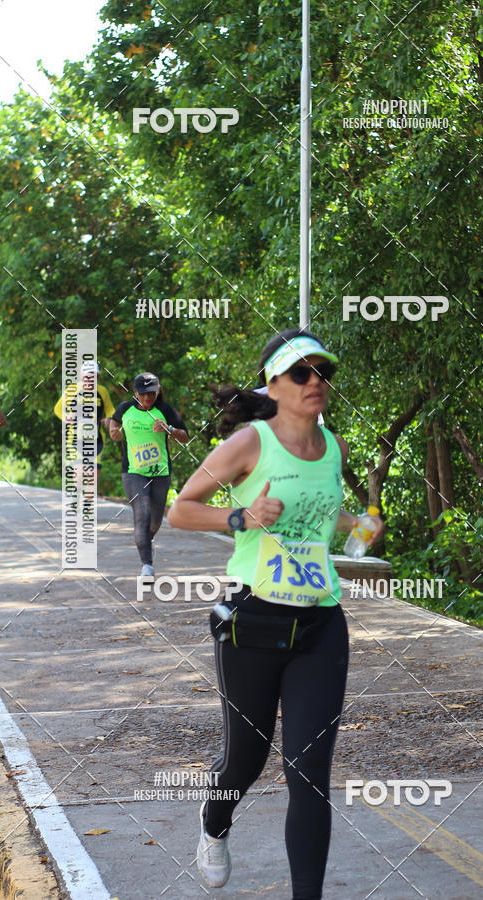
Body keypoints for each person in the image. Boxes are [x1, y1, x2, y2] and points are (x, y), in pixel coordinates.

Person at [167, 329, 384, 898]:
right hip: (252, 622)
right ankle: (215, 821)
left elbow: (319, 513)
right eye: (301, 372)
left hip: (320, 623)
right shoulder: (250, 443)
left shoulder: (334, 447)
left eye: (322, 372)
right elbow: (181, 511)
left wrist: (359, 527)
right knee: (245, 759)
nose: (316, 381)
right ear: (274, 383)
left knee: (308, 773)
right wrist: (241, 518)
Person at [110, 372, 189, 579]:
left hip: (161, 472)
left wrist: (169, 429)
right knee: (142, 514)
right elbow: (114, 422)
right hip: (133, 472)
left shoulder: (165, 410)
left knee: (155, 521)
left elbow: (185, 437)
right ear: (135, 392)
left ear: (158, 391)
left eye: (151, 393)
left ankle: (145, 540)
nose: (147, 398)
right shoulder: (125, 409)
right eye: (143, 394)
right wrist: (114, 431)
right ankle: (147, 565)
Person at [54, 361, 115, 484]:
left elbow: (110, 410)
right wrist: (66, 417)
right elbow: (58, 408)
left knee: (93, 480)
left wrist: (110, 419)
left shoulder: (102, 391)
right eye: (87, 376)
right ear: (81, 376)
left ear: (97, 377)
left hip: (97, 441)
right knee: (79, 477)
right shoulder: (72, 390)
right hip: (75, 441)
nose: (89, 380)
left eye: (93, 376)